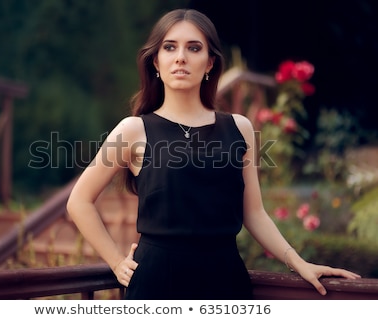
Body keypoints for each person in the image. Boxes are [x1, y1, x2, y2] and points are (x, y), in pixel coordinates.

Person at [66, 8, 360, 299]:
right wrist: (117, 262)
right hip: (157, 281)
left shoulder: (240, 128)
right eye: (170, 47)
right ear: (156, 61)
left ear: (209, 63)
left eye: (194, 48)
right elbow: (79, 201)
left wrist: (299, 263)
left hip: (226, 278)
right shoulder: (133, 130)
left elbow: (254, 213)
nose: (181, 57)